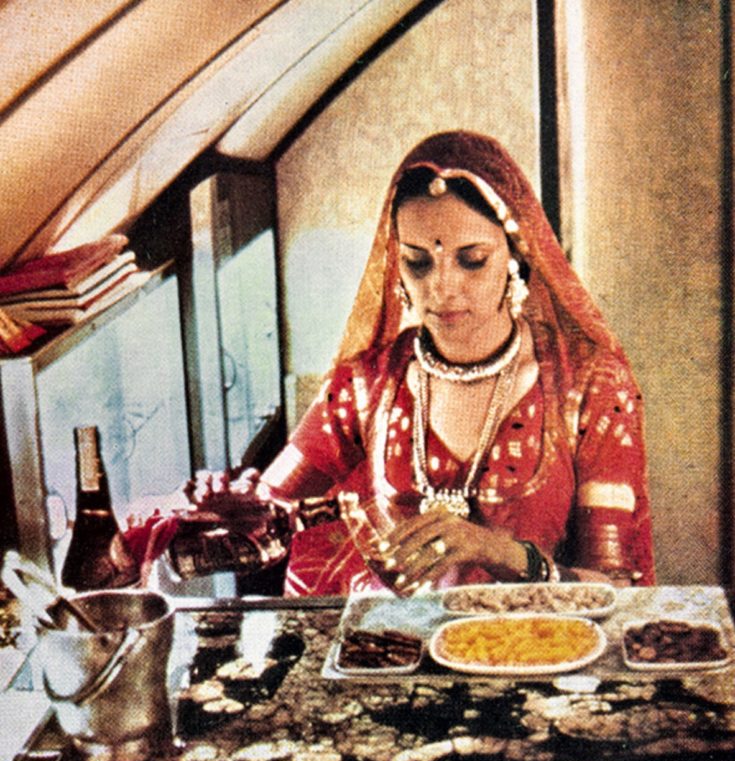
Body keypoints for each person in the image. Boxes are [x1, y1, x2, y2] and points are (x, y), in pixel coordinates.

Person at [115, 130, 655, 595]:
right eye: (418, 264)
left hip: (537, 657)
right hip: (395, 656)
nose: (442, 289)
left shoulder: (588, 384)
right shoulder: (370, 383)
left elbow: (617, 590)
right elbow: (270, 520)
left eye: (472, 261)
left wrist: (497, 551)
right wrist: (213, 516)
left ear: (516, 257)